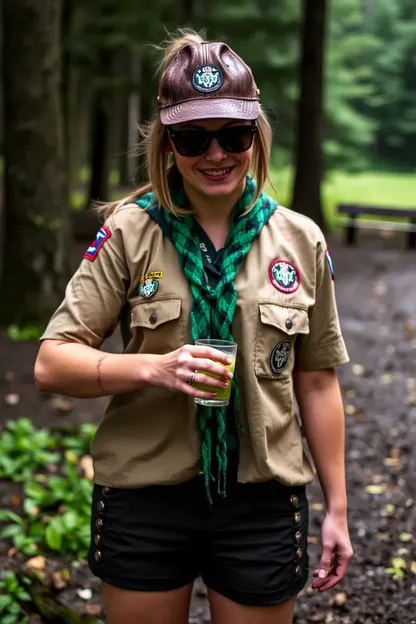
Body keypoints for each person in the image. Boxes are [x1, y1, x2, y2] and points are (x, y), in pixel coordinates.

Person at [34, 29, 353, 624]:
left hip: (261, 501)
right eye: (192, 138)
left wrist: (336, 506)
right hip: (145, 498)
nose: (215, 155)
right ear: (167, 142)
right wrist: (156, 367)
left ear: (256, 135)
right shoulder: (130, 232)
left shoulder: (299, 239)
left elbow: (316, 381)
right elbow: (53, 362)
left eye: (234, 135)